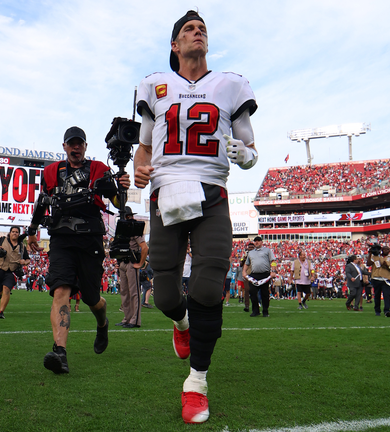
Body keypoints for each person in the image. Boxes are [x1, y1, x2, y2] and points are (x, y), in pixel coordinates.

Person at [132, 10, 259, 424]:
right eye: (188, 29)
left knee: (207, 285)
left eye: (202, 28)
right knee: (167, 295)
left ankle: (196, 382)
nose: (197, 32)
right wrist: (138, 166)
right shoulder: (155, 85)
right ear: (175, 45)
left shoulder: (230, 84)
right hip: (166, 191)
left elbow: (250, 148)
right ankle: (181, 322)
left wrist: (246, 156)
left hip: (212, 192)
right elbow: (144, 148)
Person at [27, 126, 127, 375]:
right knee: (60, 289)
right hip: (61, 239)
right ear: (64, 147)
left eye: (79, 143)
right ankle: (60, 352)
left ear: (85, 146)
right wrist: (32, 230)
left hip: (90, 240)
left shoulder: (98, 170)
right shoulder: (50, 172)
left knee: (92, 298)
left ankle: (102, 323)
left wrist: (120, 187)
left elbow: (116, 201)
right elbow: (43, 201)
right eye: (71, 143)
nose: (76, 147)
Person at [117, 208, 149, 328]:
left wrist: (140, 263)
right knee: (124, 292)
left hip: (131, 263)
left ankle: (134, 320)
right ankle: (127, 318)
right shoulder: (123, 231)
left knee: (133, 292)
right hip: (123, 263)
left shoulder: (135, 230)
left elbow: (144, 247)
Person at [0, 226, 30, 319]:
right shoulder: (2, 240)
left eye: (16, 232)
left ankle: (1, 312)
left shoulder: (22, 246)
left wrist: (25, 262)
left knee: (7, 289)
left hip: (10, 272)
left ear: (19, 234)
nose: (14, 233)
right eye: (13, 231)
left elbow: (28, 259)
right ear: (10, 233)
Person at [244, 236, 275, 317]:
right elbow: (247, 263)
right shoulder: (251, 253)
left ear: (261, 242)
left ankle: (265, 311)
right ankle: (255, 310)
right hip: (254, 274)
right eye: (255, 241)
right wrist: (244, 272)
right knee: (252, 293)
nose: (256, 242)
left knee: (265, 294)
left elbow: (273, 261)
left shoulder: (267, 250)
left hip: (265, 274)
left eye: (258, 241)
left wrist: (273, 271)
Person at [367, 245, 390, 317]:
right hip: (376, 278)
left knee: (386, 295)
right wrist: (370, 253)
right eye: (385, 249)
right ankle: (377, 310)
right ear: (381, 250)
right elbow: (368, 263)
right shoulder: (375, 257)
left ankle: (387, 310)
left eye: (388, 250)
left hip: (386, 279)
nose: (386, 251)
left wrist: (387, 266)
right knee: (377, 295)